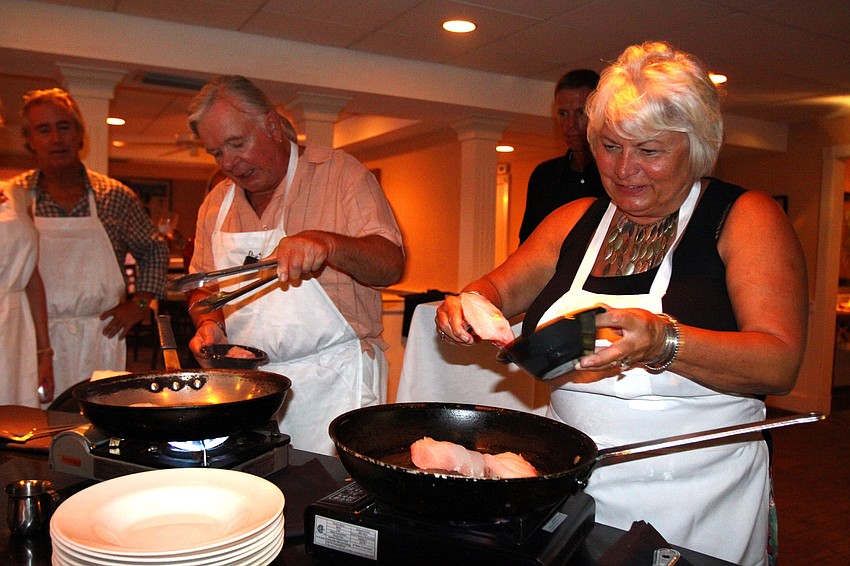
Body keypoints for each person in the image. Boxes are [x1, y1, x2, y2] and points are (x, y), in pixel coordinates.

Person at [435, 41, 806, 566]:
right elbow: (493, 290)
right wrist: (467, 305)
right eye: (610, 147)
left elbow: (780, 362)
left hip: (695, 496)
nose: (625, 169)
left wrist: (662, 340)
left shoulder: (745, 217)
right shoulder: (574, 219)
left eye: (649, 151)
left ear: (696, 147)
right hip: (575, 481)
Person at [185, 75, 404, 456]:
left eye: (237, 143)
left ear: (271, 124)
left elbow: (390, 264)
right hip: (249, 389)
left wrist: (328, 242)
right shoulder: (216, 203)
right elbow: (203, 286)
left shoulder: (340, 175)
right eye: (217, 153)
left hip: (333, 384)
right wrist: (208, 323)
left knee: (326, 501)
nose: (229, 163)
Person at [7, 88, 169, 398]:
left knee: (96, 427)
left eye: (64, 127)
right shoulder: (15, 198)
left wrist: (139, 304)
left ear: (80, 136)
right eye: (44, 129)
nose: (56, 138)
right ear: (30, 141)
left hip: (100, 335)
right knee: (31, 428)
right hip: (31, 338)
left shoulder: (115, 196)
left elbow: (153, 250)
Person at [518, 69, 606, 243]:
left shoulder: (617, 174)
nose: (570, 125)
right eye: (563, 114)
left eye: (581, 113)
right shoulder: (545, 177)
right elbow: (528, 244)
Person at [0, 180, 54, 407]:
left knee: (16, 422)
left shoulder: (15, 194)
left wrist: (44, 353)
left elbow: (32, 278)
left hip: (16, 330)